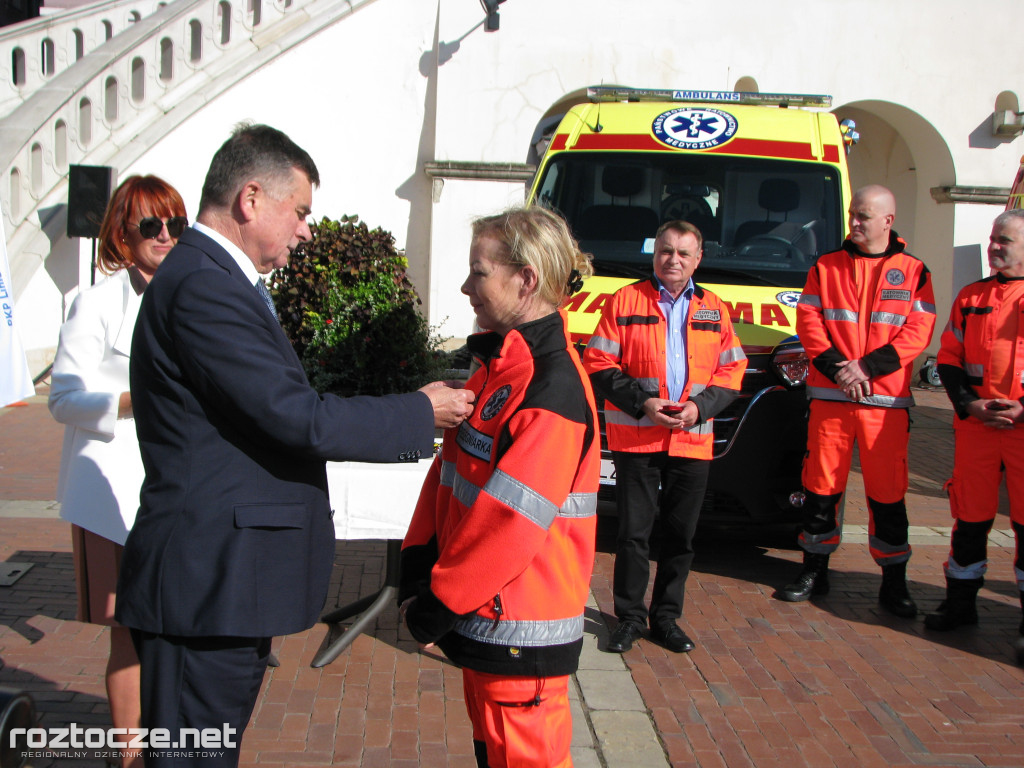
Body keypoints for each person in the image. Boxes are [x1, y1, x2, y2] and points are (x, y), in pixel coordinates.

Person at [114, 124, 474, 767]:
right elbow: (294, 417)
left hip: (223, 580)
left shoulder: (215, 279)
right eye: (300, 211)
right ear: (251, 199)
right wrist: (421, 412)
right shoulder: (203, 285)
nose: (306, 230)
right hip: (208, 582)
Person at [400, 206, 600, 768]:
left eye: (478, 271)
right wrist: (420, 558)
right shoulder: (504, 366)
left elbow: (511, 522)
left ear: (526, 279)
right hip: (490, 621)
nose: (466, 286)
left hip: (521, 632)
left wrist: (438, 599)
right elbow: (453, 475)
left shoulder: (549, 384)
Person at [49, 174, 187, 768]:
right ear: (122, 233)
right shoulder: (97, 301)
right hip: (111, 489)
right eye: (149, 225)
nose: (164, 236)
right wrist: (134, 399)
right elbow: (62, 397)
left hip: (174, 487)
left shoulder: (190, 295)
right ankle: (128, 755)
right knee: (128, 629)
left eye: (174, 225)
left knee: (170, 626)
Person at [582, 220, 747, 654]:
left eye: (683, 253)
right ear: (654, 254)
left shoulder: (714, 307)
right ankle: (630, 618)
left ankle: (667, 619)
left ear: (698, 259)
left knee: (681, 537)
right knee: (633, 535)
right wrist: (644, 403)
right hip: (638, 439)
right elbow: (598, 362)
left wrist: (700, 409)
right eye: (665, 251)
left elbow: (732, 371)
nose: (673, 260)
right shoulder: (625, 300)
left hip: (692, 440)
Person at [776, 185, 936, 616]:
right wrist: (840, 370)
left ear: (888, 220)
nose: (855, 223)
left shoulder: (914, 271)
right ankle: (814, 570)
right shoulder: (826, 266)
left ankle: (894, 582)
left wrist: (865, 368)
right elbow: (808, 322)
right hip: (831, 399)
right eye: (853, 214)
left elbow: (917, 332)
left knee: (888, 495)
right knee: (820, 488)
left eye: (864, 216)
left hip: (884, 404)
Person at [926, 208, 1024, 663]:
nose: (994, 246)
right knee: (970, 517)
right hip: (978, 427)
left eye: (1005, 240)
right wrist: (969, 404)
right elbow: (948, 360)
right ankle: (960, 603)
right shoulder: (971, 297)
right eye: (992, 238)